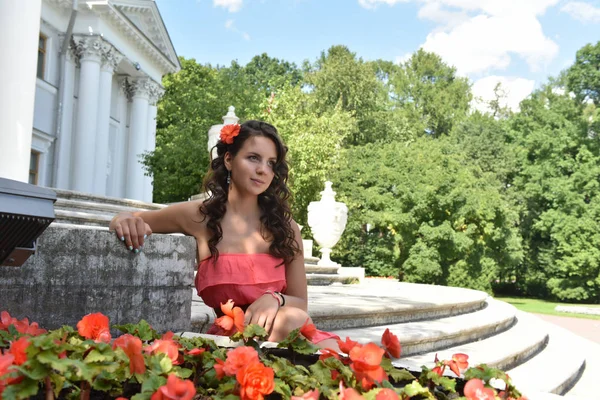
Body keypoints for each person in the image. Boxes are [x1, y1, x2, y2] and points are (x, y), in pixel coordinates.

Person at [109, 120, 339, 349]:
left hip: (286, 337)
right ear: (228, 159)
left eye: (271, 163)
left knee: (295, 321)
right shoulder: (199, 216)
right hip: (229, 344)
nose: (263, 170)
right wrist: (123, 220)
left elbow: (300, 304)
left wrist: (275, 298)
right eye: (253, 158)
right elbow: (129, 217)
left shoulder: (286, 227)